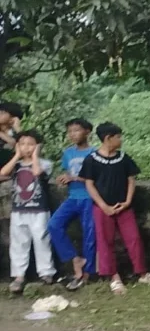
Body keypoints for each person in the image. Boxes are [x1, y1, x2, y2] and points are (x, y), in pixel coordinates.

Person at [80, 122, 150, 294]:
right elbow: (89, 184)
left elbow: (131, 180)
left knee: (134, 238)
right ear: (108, 138)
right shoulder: (91, 160)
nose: (120, 140)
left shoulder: (123, 158)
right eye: (118, 137)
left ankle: (142, 272)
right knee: (105, 242)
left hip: (123, 207)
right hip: (102, 208)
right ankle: (114, 277)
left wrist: (127, 201)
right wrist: (103, 206)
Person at [1, 130, 56, 293]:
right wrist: (17, 155)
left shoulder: (44, 163)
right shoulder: (15, 165)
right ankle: (18, 275)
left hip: (39, 210)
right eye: (23, 144)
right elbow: (3, 172)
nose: (26, 147)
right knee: (18, 243)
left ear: (38, 147)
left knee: (42, 240)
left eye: (31, 144)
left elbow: (37, 172)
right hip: (19, 210)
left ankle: (46, 272)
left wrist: (35, 156)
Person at [49, 118, 97, 291]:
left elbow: (99, 178)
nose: (72, 134)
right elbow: (68, 172)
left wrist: (74, 178)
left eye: (76, 130)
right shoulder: (68, 153)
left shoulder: (95, 153)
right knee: (54, 225)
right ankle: (75, 259)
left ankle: (87, 273)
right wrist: (64, 178)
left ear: (87, 132)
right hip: (72, 197)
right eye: (70, 131)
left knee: (89, 234)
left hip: (90, 198)